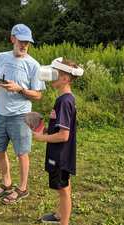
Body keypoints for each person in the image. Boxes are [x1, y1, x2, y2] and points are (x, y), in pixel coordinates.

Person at [0, 24, 46, 204]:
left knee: (22, 153)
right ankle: (6, 183)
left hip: (21, 116)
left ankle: (22, 188)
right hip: (0, 113)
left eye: (27, 42)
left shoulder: (34, 65)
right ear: (13, 39)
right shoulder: (1, 57)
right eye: (21, 41)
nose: (24, 45)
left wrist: (20, 89)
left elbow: (38, 95)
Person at [33, 57, 83, 225]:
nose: (50, 76)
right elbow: (61, 129)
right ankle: (60, 214)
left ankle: (64, 222)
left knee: (63, 189)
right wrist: (47, 129)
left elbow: (64, 135)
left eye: (55, 73)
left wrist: (42, 138)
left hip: (60, 155)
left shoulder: (64, 101)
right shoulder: (64, 99)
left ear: (65, 79)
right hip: (61, 153)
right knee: (64, 186)